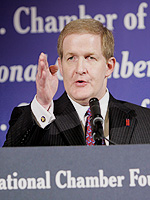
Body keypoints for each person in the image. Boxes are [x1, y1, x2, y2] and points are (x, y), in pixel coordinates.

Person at [3, 19, 150, 147]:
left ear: (109, 66)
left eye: (90, 58)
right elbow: (9, 165)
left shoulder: (145, 121)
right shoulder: (35, 119)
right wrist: (42, 103)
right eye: (71, 58)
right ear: (60, 66)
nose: (80, 69)